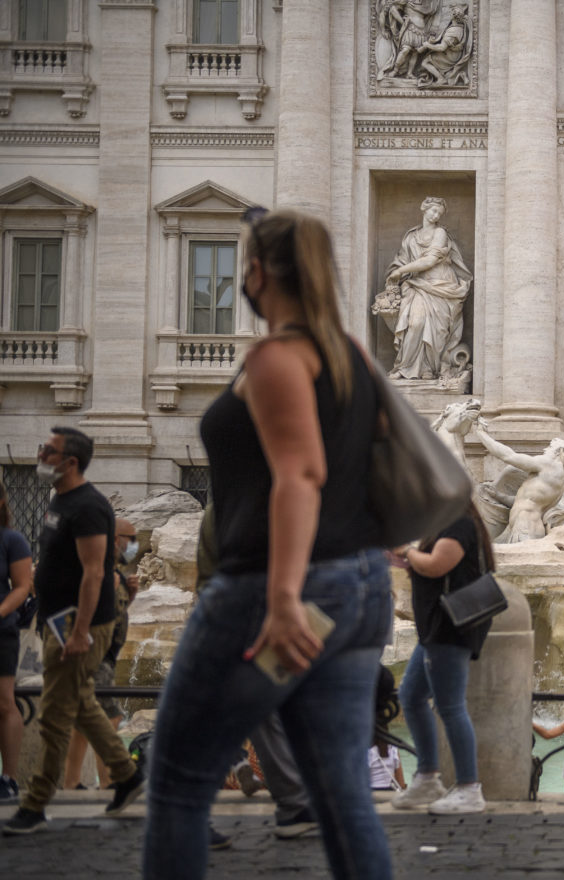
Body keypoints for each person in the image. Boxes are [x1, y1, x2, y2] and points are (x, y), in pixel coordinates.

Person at [141, 208, 393, 880]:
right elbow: (378, 455)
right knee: (342, 797)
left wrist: (283, 597)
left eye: (245, 263)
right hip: (358, 588)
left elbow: (301, 473)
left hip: (273, 590)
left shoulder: (278, 357)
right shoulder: (353, 356)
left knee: (177, 779)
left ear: (256, 270)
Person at [4, 428, 146, 836]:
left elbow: (95, 571)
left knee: (52, 714)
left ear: (70, 462)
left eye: (49, 449)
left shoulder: (87, 506)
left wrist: (81, 631)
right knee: (83, 704)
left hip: (76, 625)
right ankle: (128, 774)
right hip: (58, 621)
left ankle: (34, 803)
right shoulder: (59, 501)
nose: (41, 453)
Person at [194, 503, 318, 841]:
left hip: (233, 613)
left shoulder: (233, 500)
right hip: (240, 615)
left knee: (250, 709)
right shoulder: (245, 501)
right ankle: (290, 802)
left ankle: (290, 802)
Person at [389, 504, 494, 815]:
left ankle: (468, 787)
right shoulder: (447, 521)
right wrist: (407, 559)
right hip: (434, 630)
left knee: (450, 706)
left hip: (449, 629)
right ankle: (427, 777)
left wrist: (407, 551)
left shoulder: (459, 522)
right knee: (411, 695)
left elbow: (437, 565)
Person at [64, 517, 140, 790]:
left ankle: (72, 783)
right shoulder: (101, 573)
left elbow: (114, 614)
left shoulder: (115, 574)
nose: (134, 544)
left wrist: (129, 597)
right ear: (114, 538)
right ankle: (107, 783)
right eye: (130, 538)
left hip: (105, 656)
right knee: (109, 718)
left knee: (84, 721)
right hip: (96, 656)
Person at [382, 196, 472, 381]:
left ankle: (429, 369)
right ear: (424, 208)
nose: (436, 214)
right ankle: (405, 367)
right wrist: (398, 273)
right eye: (433, 210)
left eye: (439, 212)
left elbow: (430, 260)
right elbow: (402, 259)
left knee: (437, 331)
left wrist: (400, 271)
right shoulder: (411, 237)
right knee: (415, 323)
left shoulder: (440, 233)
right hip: (418, 285)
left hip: (441, 285)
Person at [0, 477, 33, 805]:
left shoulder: (12, 540)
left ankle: (8, 777)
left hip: (2, 631)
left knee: (5, 702)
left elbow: (22, 586)